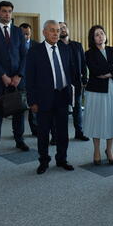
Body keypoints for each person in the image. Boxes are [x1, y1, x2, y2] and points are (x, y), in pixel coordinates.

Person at [26, 20, 75, 174]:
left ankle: (62, 159)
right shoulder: (35, 51)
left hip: (62, 95)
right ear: (44, 32)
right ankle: (44, 161)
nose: (55, 33)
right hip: (43, 98)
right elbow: (30, 78)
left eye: (58, 30)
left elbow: (70, 71)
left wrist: (73, 92)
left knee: (63, 132)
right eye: (52, 30)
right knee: (43, 133)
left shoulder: (65, 48)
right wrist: (32, 101)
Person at [0, 1, 28, 155]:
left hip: (18, 80)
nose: (7, 14)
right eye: (4, 11)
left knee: (19, 111)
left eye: (9, 11)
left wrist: (19, 75)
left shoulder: (18, 32)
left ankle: (19, 140)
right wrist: (3, 75)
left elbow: (24, 55)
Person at [83, 25, 113, 165]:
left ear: (105, 35)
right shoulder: (89, 54)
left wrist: (108, 72)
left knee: (111, 120)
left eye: (102, 33)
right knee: (97, 121)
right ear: (92, 39)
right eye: (97, 35)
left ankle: (109, 150)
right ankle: (96, 150)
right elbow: (95, 71)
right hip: (96, 92)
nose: (100, 36)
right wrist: (112, 68)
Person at [56, 22, 88, 141]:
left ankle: (79, 132)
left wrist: (85, 78)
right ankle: (58, 136)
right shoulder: (56, 46)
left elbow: (83, 63)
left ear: (68, 29)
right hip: (62, 84)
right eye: (60, 28)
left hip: (77, 83)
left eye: (64, 27)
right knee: (61, 111)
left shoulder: (77, 45)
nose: (63, 30)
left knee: (77, 109)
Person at [20, 22, 39, 136]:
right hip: (20, 80)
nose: (25, 36)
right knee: (20, 107)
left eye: (27, 34)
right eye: (23, 34)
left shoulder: (37, 45)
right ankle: (19, 133)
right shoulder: (15, 45)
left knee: (34, 105)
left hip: (34, 80)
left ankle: (35, 129)